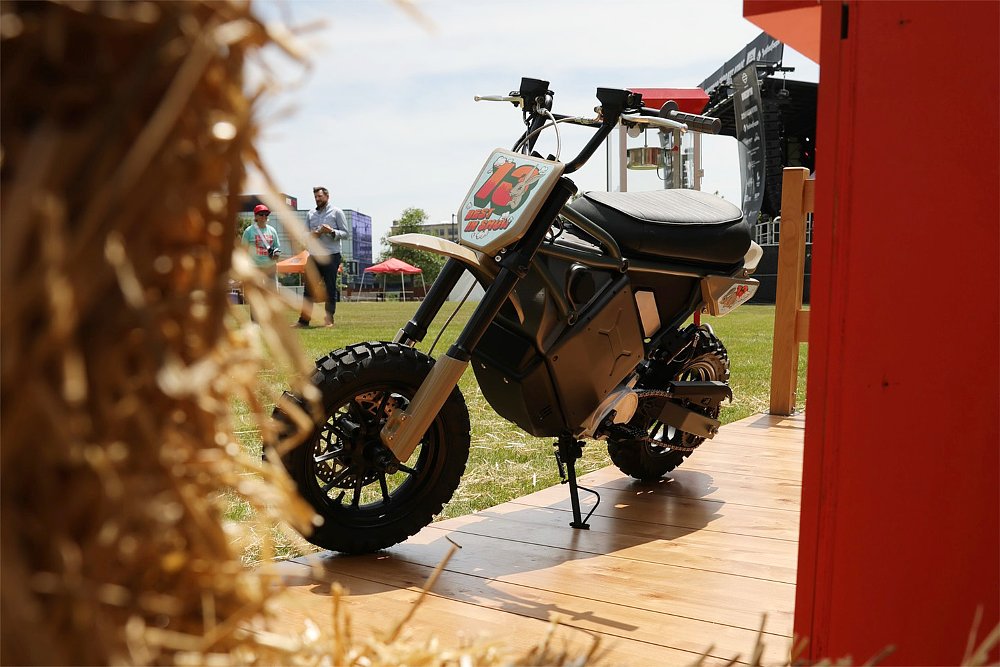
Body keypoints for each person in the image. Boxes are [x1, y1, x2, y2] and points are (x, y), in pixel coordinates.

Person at [295, 186, 349, 327]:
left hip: (331, 255)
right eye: (315, 197)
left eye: (320, 197)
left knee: (330, 288)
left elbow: (346, 233)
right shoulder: (311, 214)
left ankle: (329, 320)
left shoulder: (337, 212)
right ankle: (303, 321)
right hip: (313, 255)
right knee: (309, 289)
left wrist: (331, 231)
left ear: (327, 196)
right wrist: (313, 234)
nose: (317, 199)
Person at [241, 204, 281, 321]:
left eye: (266, 214)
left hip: (270, 267)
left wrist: (276, 254)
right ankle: (255, 322)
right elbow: (243, 251)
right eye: (261, 214)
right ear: (256, 216)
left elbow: (277, 247)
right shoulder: (249, 231)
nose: (264, 217)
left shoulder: (272, 230)